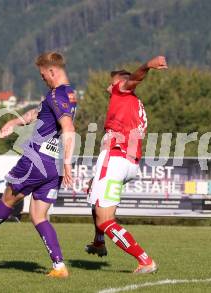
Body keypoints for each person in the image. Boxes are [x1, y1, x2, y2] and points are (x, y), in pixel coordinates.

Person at [0, 52, 76, 278]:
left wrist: (68, 163)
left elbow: (69, 129)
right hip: (51, 167)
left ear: (52, 71)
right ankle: (59, 266)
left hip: (37, 159)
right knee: (38, 216)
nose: (42, 78)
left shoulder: (57, 95)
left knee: (9, 197)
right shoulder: (67, 94)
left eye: (43, 74)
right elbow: (38, 113)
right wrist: (15, 122)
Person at [85, 55, 168, 274]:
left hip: (115, 158)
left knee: (105, 220)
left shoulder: (123, 91)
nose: (108, 85)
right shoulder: (134, 103)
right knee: (94, 193)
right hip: (129, 163)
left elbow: (133, 80)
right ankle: (99, 241)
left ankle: (145, 260)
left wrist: (147, 66)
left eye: (112, 81)